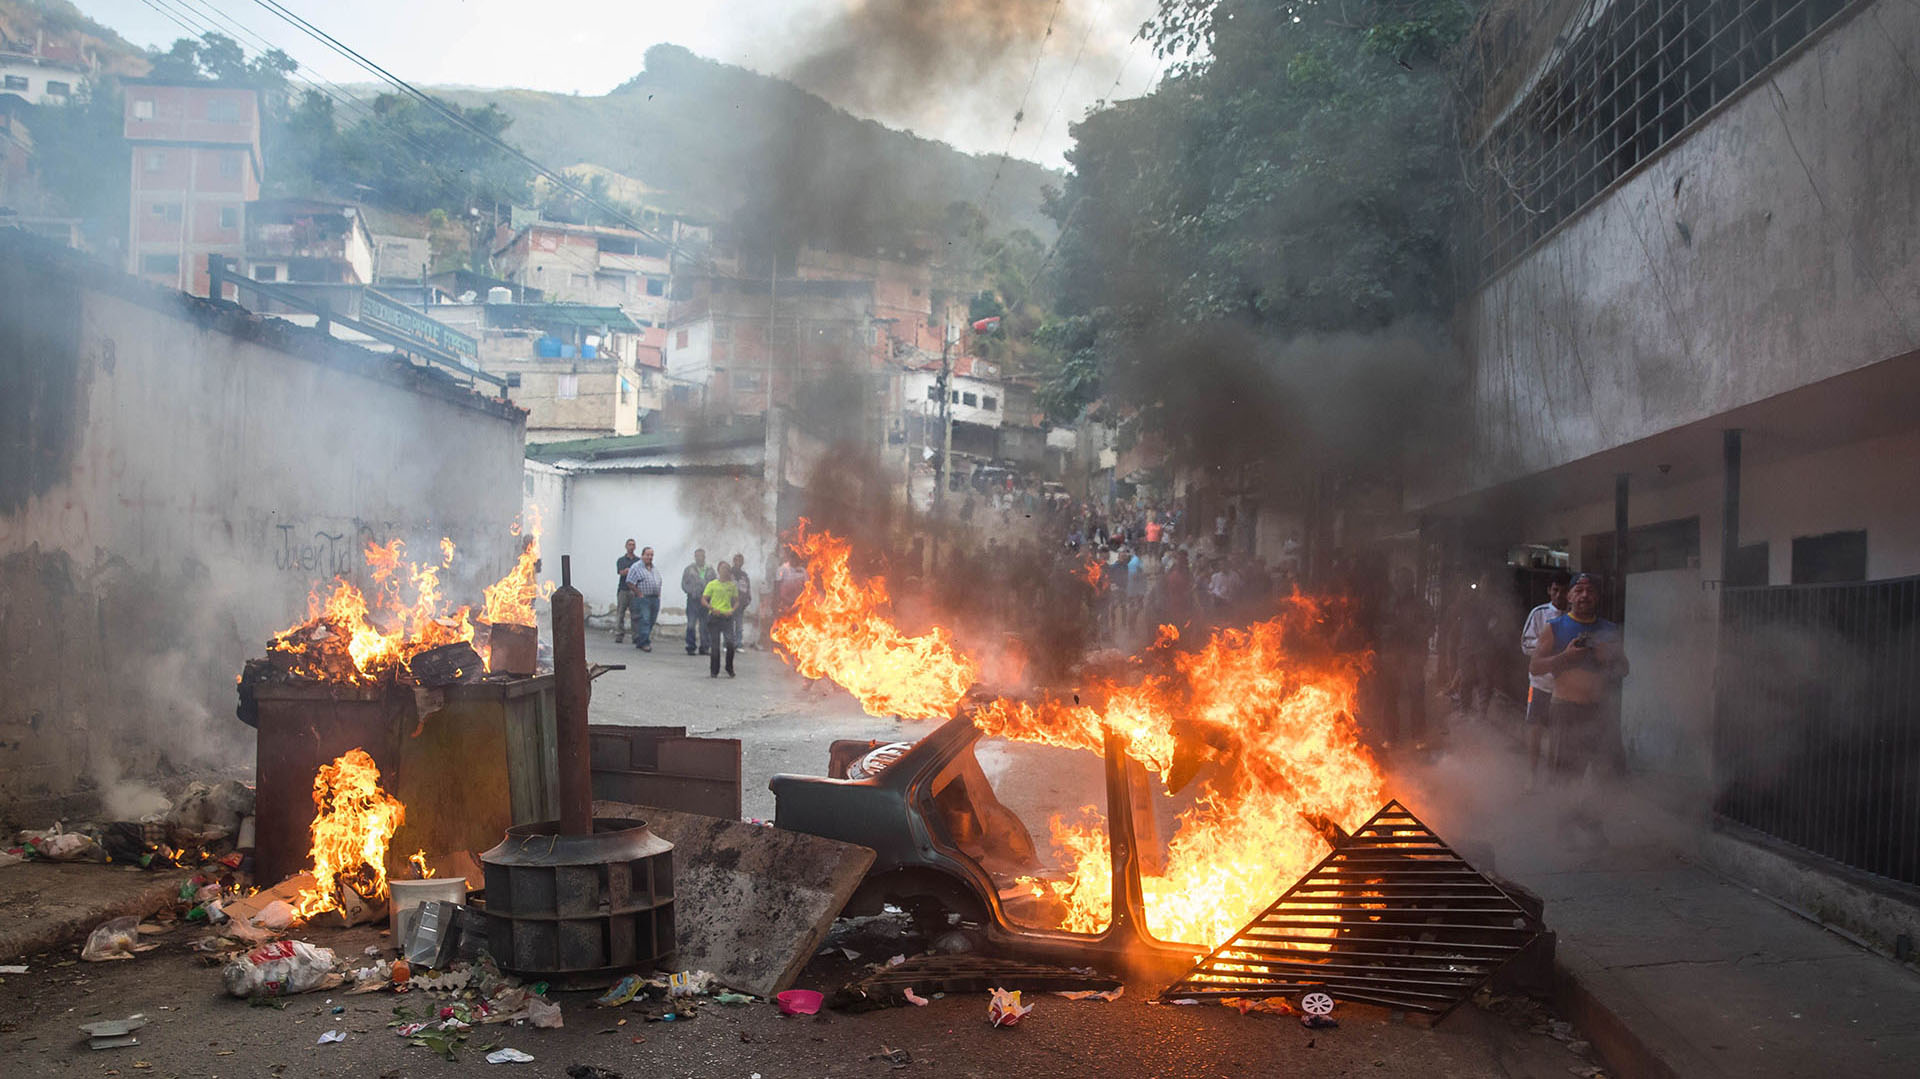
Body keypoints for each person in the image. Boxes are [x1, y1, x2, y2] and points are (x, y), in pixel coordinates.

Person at [1530, 573, 1629, 845]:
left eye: (1590, 590)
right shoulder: (1555, 627)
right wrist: (1565, 657)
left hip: (1600, 712)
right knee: (1566, 773)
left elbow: (1625, 669)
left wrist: (1607, 657)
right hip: (1566, 710)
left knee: (1610, 773)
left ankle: (1590, 818)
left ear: (1597, 596)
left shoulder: (1609, 629)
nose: (1584, 595)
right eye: (1579, 590)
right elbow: (1535, 667)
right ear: (1569, 595)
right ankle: (1565, 827)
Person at [1519, 570, 1573, 790]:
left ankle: (1553, 778)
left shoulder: (1575, 617)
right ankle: (1531, 775)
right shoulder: (1539, 613)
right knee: (1535, 728)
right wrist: (1548, 649)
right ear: (1549, 591)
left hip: (1566, 687)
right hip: (1539, 683)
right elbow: (1525, 644)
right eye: (1555, 590)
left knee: (1558, 734)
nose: (1559, 595)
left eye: (1564, 591)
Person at [702, 562, 740, 677]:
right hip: (714, 618)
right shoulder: (712, 584)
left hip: (727, 618)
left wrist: (732, 610)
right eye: (723, 568)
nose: (725, 571)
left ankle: (729, 667)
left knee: (730, 643)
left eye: (727, 569)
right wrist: (711, 608)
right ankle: (714, 671)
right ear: (718, 570)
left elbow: (737, 601)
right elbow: (704, 599)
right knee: (715, 645)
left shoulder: (732, 586)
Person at [623, 546, 664, 651]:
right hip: (643, 598)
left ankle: (641, 640)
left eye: (651, 555)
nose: (650, 557)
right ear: (642, 555)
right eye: (647, 555)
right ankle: (645, 643)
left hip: (654, 599)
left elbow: (659, 582)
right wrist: (639, 593)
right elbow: (629, 581)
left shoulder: (654, 568)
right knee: (645, 620)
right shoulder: (636, 567)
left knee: (651, 621)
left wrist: (658, 594)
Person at [681, 549, 716, 655]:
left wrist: (711, 596)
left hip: (706, 601)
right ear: (695, 557)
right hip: (693, 601)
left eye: (701, 556)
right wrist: (691, 592)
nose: (699, 558)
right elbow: (684, 584)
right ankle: (690, 646)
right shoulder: (689, 569)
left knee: (704, 625)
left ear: (704, 557)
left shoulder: (710, 570)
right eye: (697, 556)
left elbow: (715, 583)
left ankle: (704, 647)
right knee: (691, 624)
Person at [613, 539, 639, 643]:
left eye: (633, 545)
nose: (631, 547)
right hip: (623, 589)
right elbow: (621, 572)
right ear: (626, 546)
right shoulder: (621, 560)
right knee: (620, 613)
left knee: (635, 614)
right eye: (629, 545)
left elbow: (639, 573)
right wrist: (628, 571)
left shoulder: (638, 561)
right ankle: (619, 634)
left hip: (634, 590)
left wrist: (629, 571)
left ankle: (635, 636)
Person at [729, 553, 753, 647]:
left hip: (740, 605)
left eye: (740, 561)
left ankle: (738, 644)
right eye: (737, 560)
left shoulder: (744, 575)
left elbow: (747, 589)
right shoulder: (728, 574)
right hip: (729, 604)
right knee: (729, 625)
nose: (739, 562)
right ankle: (728, 643)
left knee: (739, 626)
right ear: (734, 561)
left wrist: (747, 600)